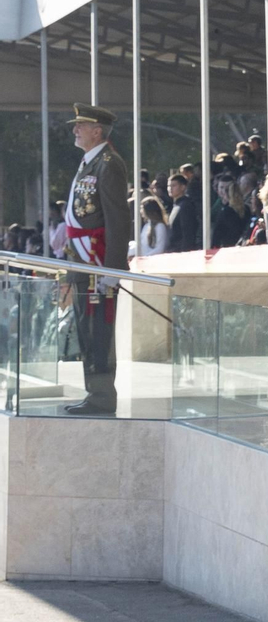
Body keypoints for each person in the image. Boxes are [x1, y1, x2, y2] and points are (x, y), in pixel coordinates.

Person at [61, 104, 131, 415]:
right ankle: (94, 393)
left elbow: (118, 221)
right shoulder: (89, 162)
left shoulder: (108, 164)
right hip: (81, 262)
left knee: (98, 333)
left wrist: (112, 272)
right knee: (85, 332)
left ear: (97, 131)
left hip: (97, 266)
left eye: (80, 125)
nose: (75, 130)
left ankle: (102, 397)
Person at [165, 173, 202, 253]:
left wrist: (184, 252)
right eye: (169, 186)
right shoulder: (176, 205)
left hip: (181, 251)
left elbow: (188, 232)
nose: (170, 189)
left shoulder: (185, 205)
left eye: (173, 186)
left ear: (183, 187)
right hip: (174, 249)